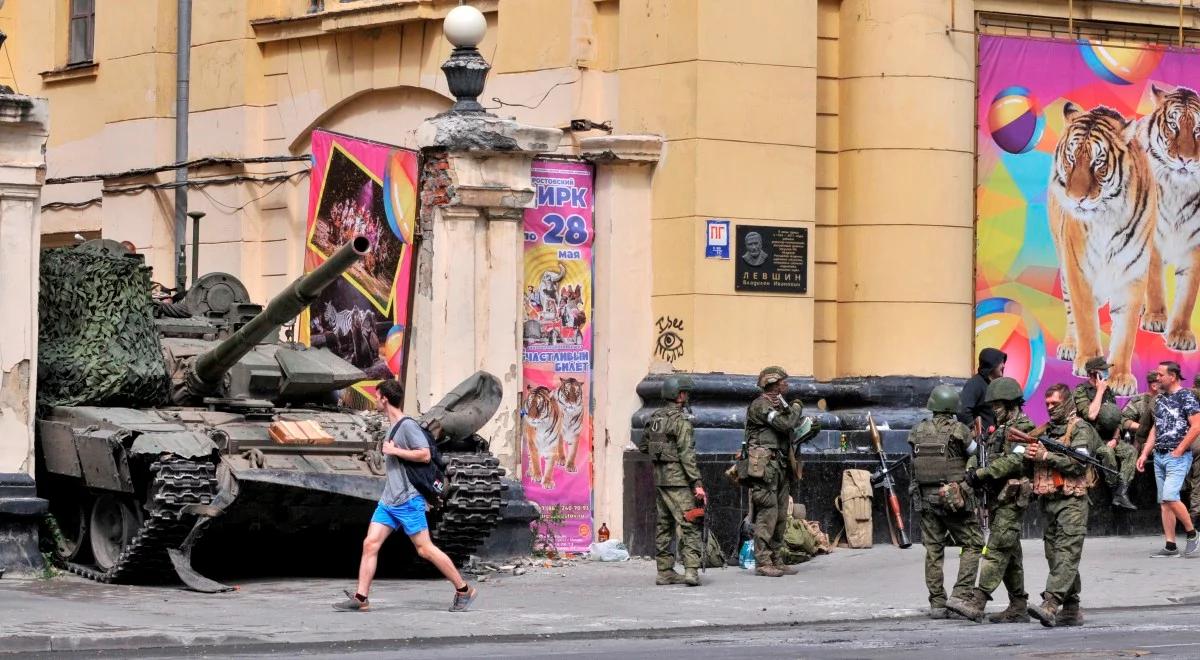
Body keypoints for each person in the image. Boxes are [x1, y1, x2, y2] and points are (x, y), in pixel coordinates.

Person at [333, 379, 477, 612]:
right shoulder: (392, 425)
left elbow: (425, 455)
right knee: (370, 544)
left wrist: (394, 450)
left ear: (384, 399)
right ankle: (361, 598)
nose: (375, 399)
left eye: (377, 395)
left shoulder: (407, 425)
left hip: (408, 499)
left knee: (424, 549)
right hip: (389, 500)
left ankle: (464, 589)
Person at [948, 377, 1033, 623]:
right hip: (996, 498)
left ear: (1011, 404)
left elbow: (1015, 461)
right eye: (992, 405)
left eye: (998, 405)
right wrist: (973, 468)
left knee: (995, 550)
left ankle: (977, 602)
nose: (993, 410)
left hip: (1012, 499)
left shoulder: (1023, 427)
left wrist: (982, 473)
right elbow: (981, 452)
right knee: (1011, 554)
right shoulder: (999, 428)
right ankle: (1018, 606)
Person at [907, 384, 982, 619]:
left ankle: (937, 603)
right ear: (952, 407)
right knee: (973, 543)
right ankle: (960, 595)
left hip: (926, 499)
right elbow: (976, 453)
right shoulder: (959, 430)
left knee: (933, 551)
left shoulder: (917, 431)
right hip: (954, 498)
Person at [1026, 383, 1096, 627]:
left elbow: (1079, 464)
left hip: (1072, 502)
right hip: (1049, 501)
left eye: (1055, 404)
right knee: (1055, 555)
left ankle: (1051, 603)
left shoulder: (1080, 429)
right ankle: (1072, 607)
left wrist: (1046, 456)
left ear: (1067, 403)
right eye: (1047, 404)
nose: (1050, 408)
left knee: (1066, 554)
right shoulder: (1045, 430)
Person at [639, 375, 706, 587]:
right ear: (680, 395)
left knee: (664, 526)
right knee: (690, 523)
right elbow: (687, 455)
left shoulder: (654, 419)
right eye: (685, 393)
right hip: (679, 481)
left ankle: (664, 571)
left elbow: (643, 447)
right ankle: (691, 571)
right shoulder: (682, 422)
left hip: (660, 480)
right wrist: (697, 484)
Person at [744, 366, 805, 577]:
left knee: (780, 515)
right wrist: (797, 407)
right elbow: (784, 424)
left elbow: (790, 427)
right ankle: (762, 562)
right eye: (782, 383)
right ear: (773, 384)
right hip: (765, 469)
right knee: (767, 514)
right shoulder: (760, 406)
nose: (786, 385)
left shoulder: (778, 405)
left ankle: (776, 558)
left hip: (780, 466)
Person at [1135, 361, 1200, 558]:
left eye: (1160, 374)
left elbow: (1197, 426)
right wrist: (1145, 452)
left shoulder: (1186, 396)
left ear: (1172, 376)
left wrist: (1180, 450)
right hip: (1159, 456)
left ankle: (1192, 534)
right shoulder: (1160, 398)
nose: (1157, 378)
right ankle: (1170, 546)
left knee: (1170, 496)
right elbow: (1156, 428)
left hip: (1176, 456)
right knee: (1165, 502)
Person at [1072, 357, 1137, 510]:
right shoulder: (1081, 391)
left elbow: (1116, 417)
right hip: (1092, 440)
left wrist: (1115, 438)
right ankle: (1115, 490)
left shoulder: (1109, 391)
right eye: (1103, 370)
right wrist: (1099, 391)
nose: (1107, 373)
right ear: (1093, 374)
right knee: (1107, 453)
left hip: (1109, 437)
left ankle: (1121, 492)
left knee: (1130, 451)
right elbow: (1091, 415)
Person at [957, 348, 1007, 432]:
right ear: (992, 364)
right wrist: (975, 432)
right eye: (1000, 363)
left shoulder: (994, 384)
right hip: (982, 440)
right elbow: (963, 411)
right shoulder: (975, 384)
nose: (1003, 366)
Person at [1120, 371, 1159, 452]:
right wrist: (1143, 428)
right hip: (1142, 443)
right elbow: (1123, 420)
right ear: (1154, 386)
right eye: (1162, 383)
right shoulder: (1139, 402)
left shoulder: (1169, 401)